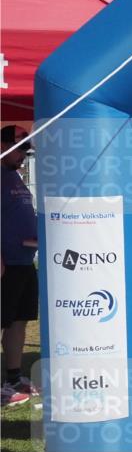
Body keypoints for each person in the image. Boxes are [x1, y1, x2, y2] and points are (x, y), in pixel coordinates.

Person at [1, 126, 40, 406]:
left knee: (19, 320)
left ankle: (12, 378)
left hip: (24, 261)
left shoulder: (14, 175)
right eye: (19, 149)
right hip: (6, 264)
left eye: (26, 150)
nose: (24, 156)